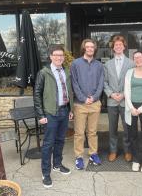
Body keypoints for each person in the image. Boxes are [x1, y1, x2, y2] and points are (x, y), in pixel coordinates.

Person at [34, 45, 73, 188]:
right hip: (50, 113)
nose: (59, 57)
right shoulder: (44, 73)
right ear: (50, 56)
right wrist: (40, 115)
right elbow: (37, 94)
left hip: (64, 111)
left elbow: (69, 92)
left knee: (60, 141)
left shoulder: (66, 71)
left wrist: (70, 109)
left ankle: (57, 164)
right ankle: (46, 173)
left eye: (61, 55)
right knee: (48, 144)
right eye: (56, 55)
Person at [70, 38, 104, 170]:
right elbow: (74, 83)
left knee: (92, 132)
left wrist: (94, 97)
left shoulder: (99, 65)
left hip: (95, 103)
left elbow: (101, 83)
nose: (90, 49)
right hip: (80, 104)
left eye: (92, 47)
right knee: (79, 132)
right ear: (84, 48)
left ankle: (93, 154)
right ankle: (78, 156)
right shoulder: (75, 64)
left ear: (94, 49)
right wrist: (83, 98)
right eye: (87, 47)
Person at [104, 35, 134, 162]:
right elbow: (104, 82)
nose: (118, 46)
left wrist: (123, 94)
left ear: (124, 46)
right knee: (112, 128)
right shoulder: (107, 64)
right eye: (116, 45)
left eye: (120, 45)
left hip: (125, 100)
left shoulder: (131, 63)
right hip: (111, 101)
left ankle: (128, 151)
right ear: (113, 47)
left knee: (127, 128)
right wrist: (111, 94)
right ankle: (113, 151)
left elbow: (133, 82)